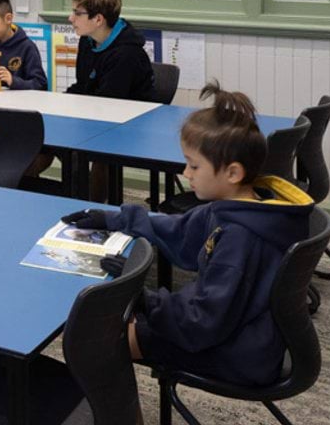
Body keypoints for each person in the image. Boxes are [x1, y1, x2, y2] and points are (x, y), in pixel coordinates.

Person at [61, 83, 312, 388]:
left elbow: (201, 322)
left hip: (238, 353)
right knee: (117, 328)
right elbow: (179, 229)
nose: (185, 172)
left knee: (99, 342)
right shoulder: (242, 205)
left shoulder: (239, 238)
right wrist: (114, 218)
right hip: (242, 334)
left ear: (232, 173)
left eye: (194, 165)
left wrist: (142, 299)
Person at [65, 0, 156, 102]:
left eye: (77, 13)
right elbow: (82, 86)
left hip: (125, 116)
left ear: (98, 19)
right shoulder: (87, 40)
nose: (70, 18)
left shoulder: (127, 55)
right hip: (95, 109)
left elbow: (107, 103)